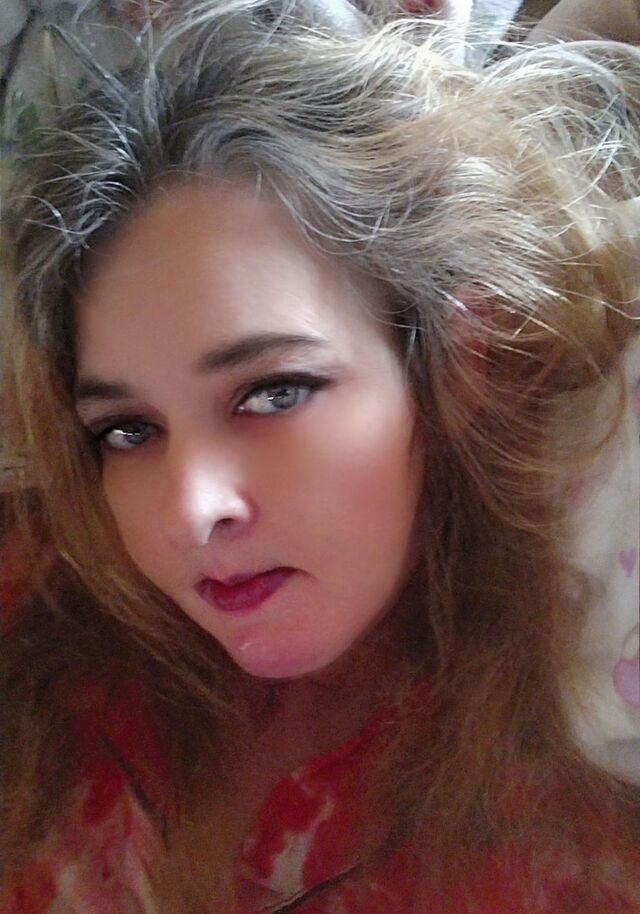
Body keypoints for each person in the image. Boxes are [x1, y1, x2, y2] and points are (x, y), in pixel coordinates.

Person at [0, 1, 639, 911]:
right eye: (128, 430)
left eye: (273, 392)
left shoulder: (578, 824)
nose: (189, 511)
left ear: (461, 357)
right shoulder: (42, 611)